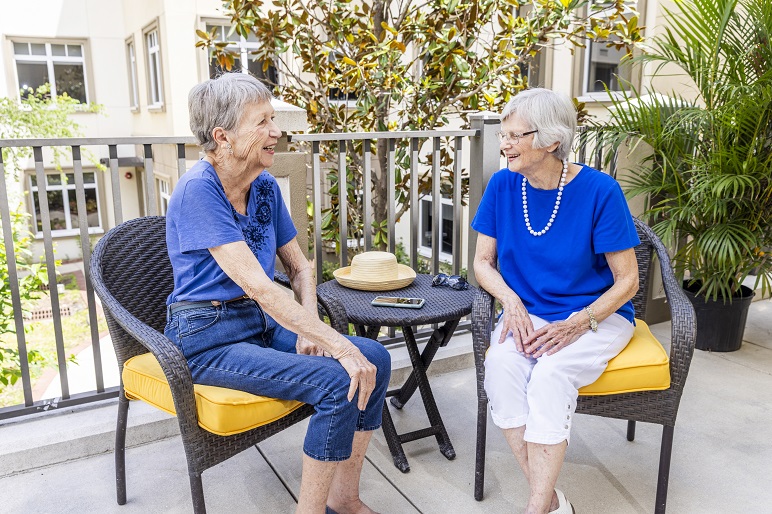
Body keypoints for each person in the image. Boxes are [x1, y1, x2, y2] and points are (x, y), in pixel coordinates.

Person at [164, 73, 390, 514]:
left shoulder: (263, 185)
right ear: (222, 137)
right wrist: (336, 344)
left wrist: (313, 329)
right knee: (335, 378)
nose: (277, 132)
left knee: (376, 359)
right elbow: (258, 285)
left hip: (262, 322)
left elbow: (300, 266)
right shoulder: (198, 191)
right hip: (207, 338)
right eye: (263, 122)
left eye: (274, 119)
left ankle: (344, 499)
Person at [471, 88, 640, 514]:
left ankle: (535, 508)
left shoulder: (601, 191)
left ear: (550, 140)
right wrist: (510, 301)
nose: (504, 144)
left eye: (514, 135)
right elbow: (482, 263)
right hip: (528, 314)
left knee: (550, 375)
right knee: (502, 366)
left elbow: (628, 282)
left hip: (597, 317)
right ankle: (548, 503)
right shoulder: (503, 185)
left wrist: (578, 323)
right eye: (502, 135)